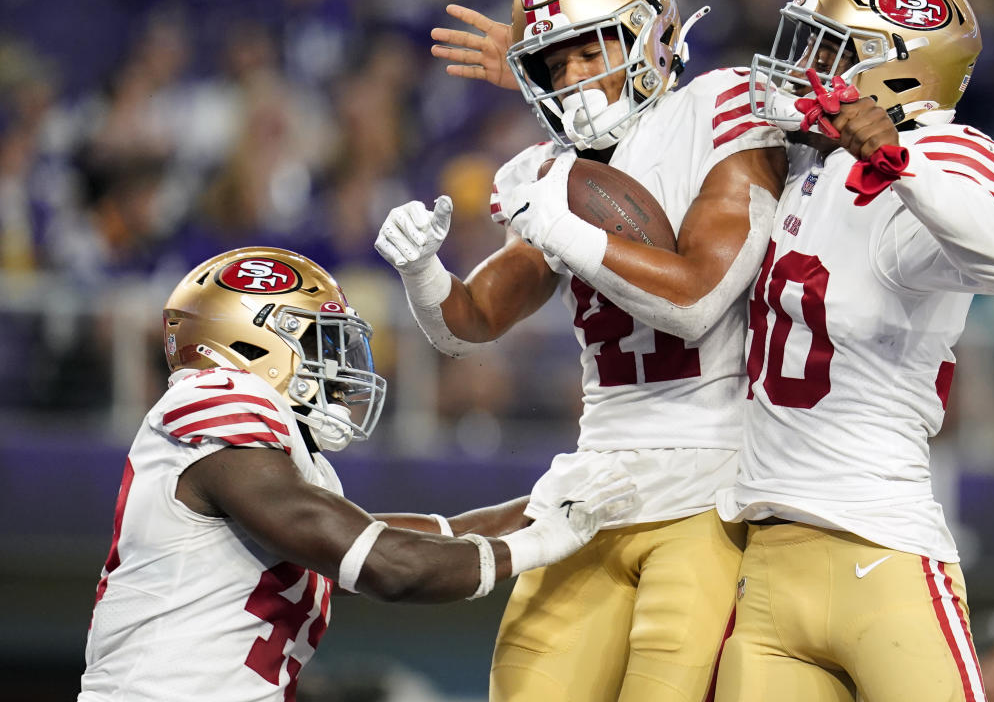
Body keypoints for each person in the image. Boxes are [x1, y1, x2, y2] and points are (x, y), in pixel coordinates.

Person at [376, 0, 787, 702]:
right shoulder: (554, 166)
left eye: (588, 49)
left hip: (712, 477)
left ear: (652, 33)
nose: (572, 80)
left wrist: (561, 220)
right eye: (552, 65)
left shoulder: (719, 107)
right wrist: (422, 270)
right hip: (594, 481)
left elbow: (697, 301)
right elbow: (467, 324)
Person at [78, 246, 635, 702]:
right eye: (320, 342)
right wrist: (538, 543)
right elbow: (387, 565)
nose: (341, 368)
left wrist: (544, 504)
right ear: (253, 342)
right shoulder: (215, 396)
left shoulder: (291, 473)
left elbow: (411, 536)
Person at [710, 0, 994, 701]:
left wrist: (895, 160)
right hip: (765, 561)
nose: (804, 66)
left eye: (829, 50)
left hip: (879, 547)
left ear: (896, 70)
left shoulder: (944, 155)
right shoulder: (804, 163)